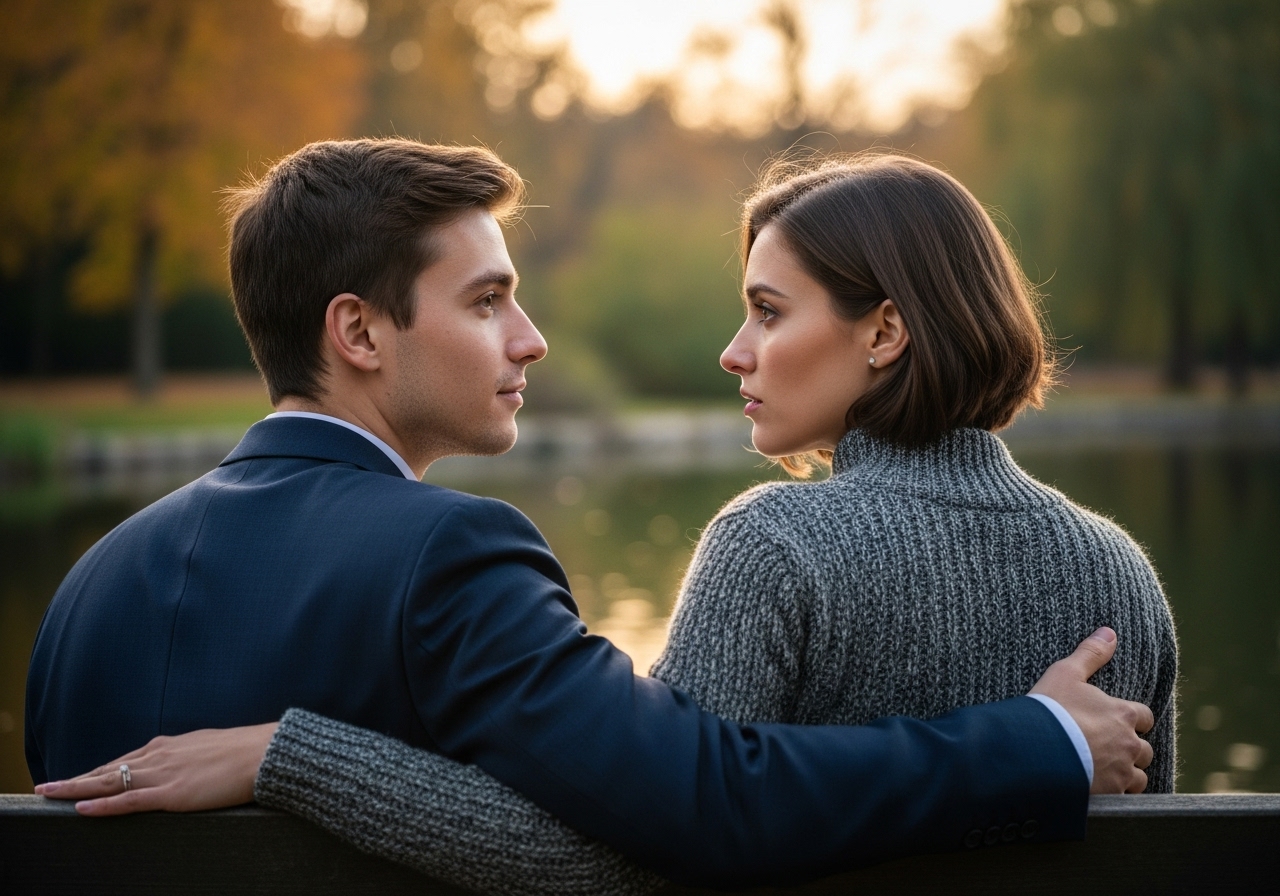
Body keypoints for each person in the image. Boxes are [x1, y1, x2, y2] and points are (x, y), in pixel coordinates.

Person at [30, 141, 1155, 894]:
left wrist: (289, 754)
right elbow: (682, 809)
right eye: (486, 300)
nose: (531, 338)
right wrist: (1036, 739)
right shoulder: (449, 554)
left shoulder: (83, 589)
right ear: (359, 334)